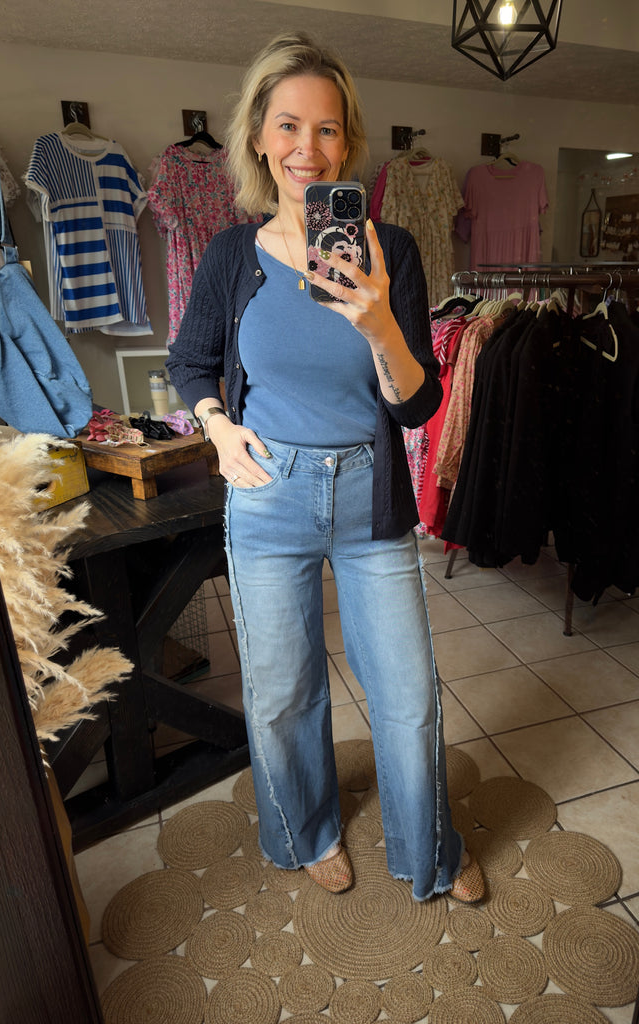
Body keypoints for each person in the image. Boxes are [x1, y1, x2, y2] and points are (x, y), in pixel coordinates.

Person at [166, 31, 484, 905]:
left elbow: (416, 405)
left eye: (328, 129)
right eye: (289, 125)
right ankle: (302, 832)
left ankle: (428, 847)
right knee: (283, 693)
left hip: (369, 495)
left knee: (408, 693)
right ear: (258, 138)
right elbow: (190, 362)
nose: (308, 148)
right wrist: (218, 429)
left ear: (348, 142)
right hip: (268, 492)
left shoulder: (393, 251)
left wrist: (379, 323)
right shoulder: (231, 256)